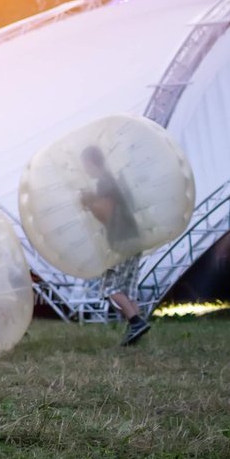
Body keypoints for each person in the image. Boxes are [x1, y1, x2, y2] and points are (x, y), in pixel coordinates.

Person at [79, 145, 151, 347]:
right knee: (128, 290)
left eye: (85, 164)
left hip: (121, 240)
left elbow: (106, 215)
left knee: (110, 288)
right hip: (134, 238)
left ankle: (136, 322)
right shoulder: (115, 180)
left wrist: (89, 203)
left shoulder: (104, 182)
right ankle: (136, 329)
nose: (85, 169)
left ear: (92, 162)